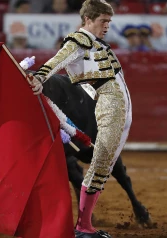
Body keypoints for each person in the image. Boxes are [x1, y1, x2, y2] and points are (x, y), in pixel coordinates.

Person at [28, 0, 133, 237]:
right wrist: (40, 79)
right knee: (100, 163)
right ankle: (83, 227)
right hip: (110, 105)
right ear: (88, 20)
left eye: (109, 21)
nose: (107, 25)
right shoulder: (79, 40)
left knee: (104, 165)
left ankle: (84, 225)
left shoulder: (95, 43)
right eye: (102, 21)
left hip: (120, 108)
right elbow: (58, 60)